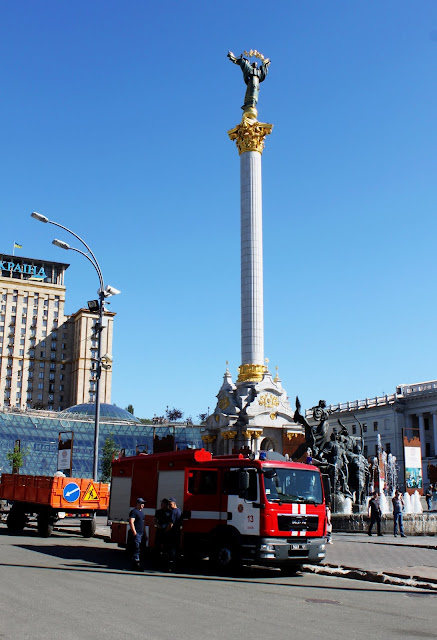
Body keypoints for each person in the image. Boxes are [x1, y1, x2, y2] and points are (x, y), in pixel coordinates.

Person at [129, 498, 146, 570]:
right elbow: (131, 522)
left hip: (141, 533)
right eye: (141, 503)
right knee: (136, 548)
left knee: (139, 549)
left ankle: (136, 564)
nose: (143, 505)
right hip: (137, 534)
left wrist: (145, 533)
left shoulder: (142, 513)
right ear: (137, 504)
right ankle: (136, 565)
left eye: (143, 503)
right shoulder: (134, 512)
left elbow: (143, 524)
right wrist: (134, 532)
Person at [166, 497, 182, 570]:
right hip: (177, 533)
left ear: (174, 504)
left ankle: (170, 566)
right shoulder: (179, 511)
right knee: (176, 549)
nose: (169, 505)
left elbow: (170, 524)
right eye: (168, 504)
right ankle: (177, 565)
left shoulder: (173, 512)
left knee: (171, 550)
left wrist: (166, 530)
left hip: (172, 533)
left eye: (170, 504)